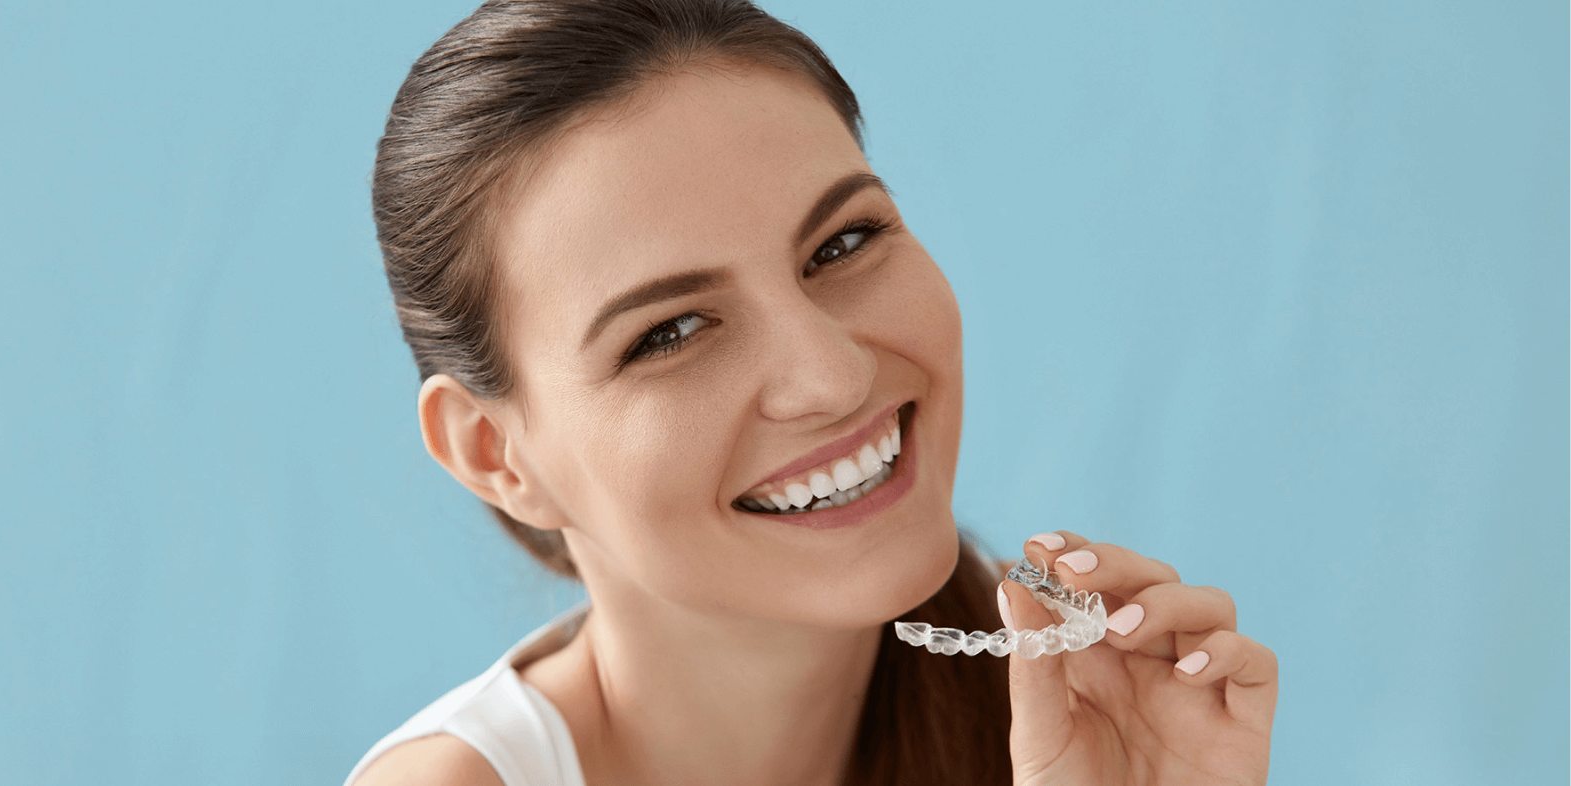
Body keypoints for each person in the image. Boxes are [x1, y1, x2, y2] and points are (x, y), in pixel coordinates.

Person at [345, 1, 1279, 784]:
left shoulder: (1072, 725)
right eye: (667, 333)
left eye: (842, 244)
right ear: (492, 452)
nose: (833, 376)